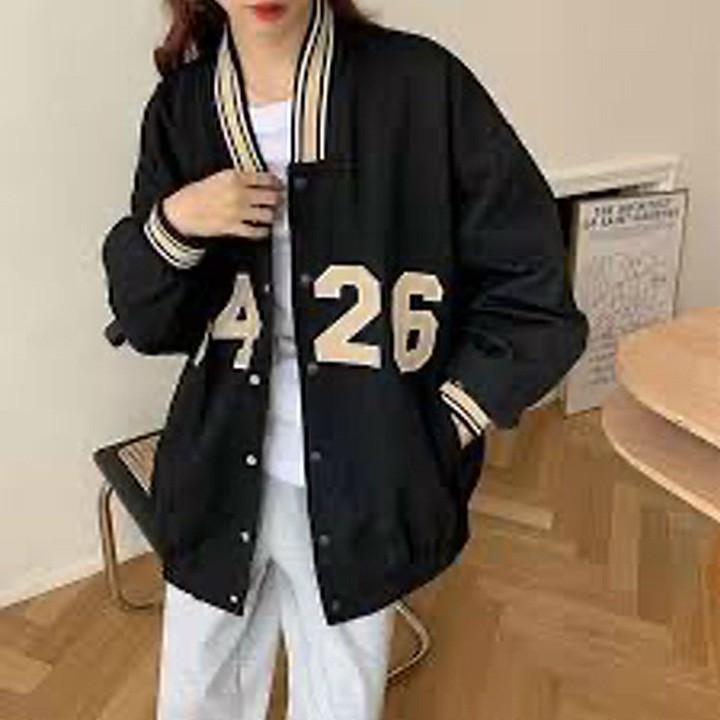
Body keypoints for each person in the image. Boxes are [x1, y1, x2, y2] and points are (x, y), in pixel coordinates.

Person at [100, 0, 590, 717]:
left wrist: (439, 425)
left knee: (340, 701)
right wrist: (178, 222)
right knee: (196, 693)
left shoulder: (422, 86)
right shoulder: (182, 110)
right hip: (218, 466)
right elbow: (148, 321)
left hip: (368, 475)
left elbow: (534, 283)